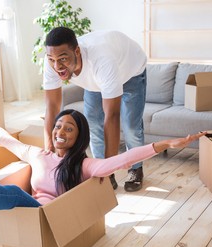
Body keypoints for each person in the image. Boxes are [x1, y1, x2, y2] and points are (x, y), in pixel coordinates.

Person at [0, 109, 205, 231]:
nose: (61, 131)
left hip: (49, 219)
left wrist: (165, 143)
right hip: (24, 213)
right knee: (3, 195)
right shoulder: (37, 154)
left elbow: (121, 160)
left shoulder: (83, 165)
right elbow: (6, 140)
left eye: (69, 129)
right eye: (58, 125)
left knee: (13, 194)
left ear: (77, 137)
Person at [43, 27, 148, 192]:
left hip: (131, 72)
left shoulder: (101, 60)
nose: (57, 66)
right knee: (92, 123)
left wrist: (110, 169)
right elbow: (52, 107)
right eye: (52, 59)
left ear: (76, 51)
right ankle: (100, 168)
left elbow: (112, 116)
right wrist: (49, 155)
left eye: (63, 59)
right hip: (97, 79)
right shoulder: (53, 60)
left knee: (131, 127)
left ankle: (135, 168)